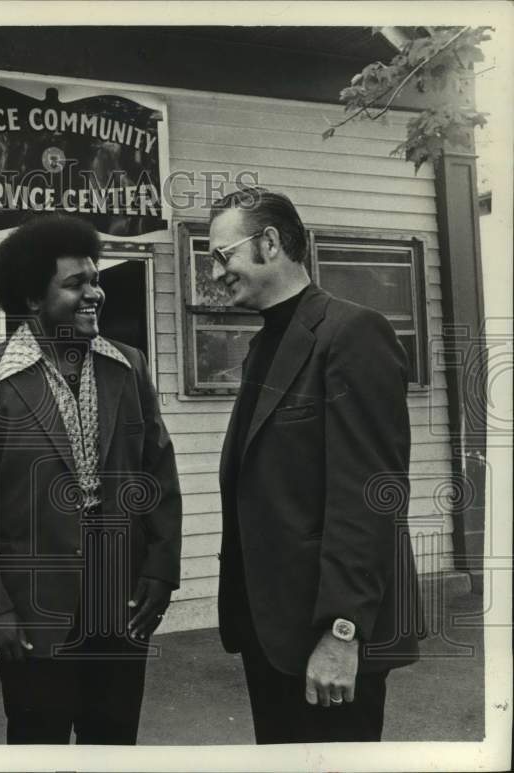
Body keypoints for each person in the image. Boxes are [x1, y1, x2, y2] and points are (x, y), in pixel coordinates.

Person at [0, 215, 182, 745]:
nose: (94, 293)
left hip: (121, 602)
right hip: (34, 607)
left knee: (113, 743)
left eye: (95, 279)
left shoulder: (128, 365)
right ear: (31, 298)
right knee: (37, 743)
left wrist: (161, 573)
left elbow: (158, 474)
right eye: (75, 284)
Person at [211, 187, 422, 744]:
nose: (215, 273)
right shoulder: (263, 347)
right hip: (270, 632)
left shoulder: (352, 332)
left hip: (325, 635)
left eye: (222, 255)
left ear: (270, 243)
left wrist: (341, 633)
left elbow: (370, 496)